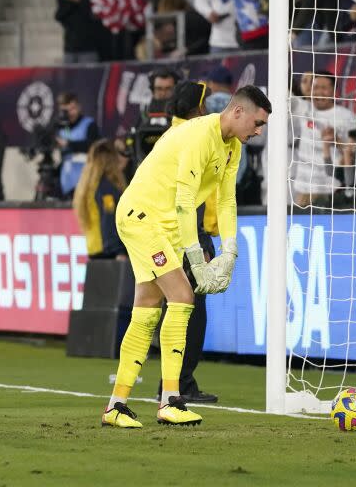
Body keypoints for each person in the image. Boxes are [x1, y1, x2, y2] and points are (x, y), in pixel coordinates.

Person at [102, 85, 271, 428]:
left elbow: (225, 201)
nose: (258, 130)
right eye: (257, 122)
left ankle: (116, 406)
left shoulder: (231, 147)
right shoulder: (198, 135)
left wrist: (230, 249)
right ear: (237, 111)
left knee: (147, 307)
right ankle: (171, 400)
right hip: (144, 216)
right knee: (182, 296)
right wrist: (196, 258)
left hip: (159, 223)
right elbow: (184, 200)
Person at [154, 81, 219, 404]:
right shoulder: (194, 137)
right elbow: (187, 194)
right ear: (200, 107)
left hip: (159, 231)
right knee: (190, 310)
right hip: (184, 235)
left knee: (165, 307)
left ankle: (170, 383)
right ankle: (180, 384)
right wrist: (201, 241)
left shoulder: (170, 135)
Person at [292, 72, 356, 207]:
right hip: (305, 190)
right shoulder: (303, 108)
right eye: (315, 87)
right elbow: (282, 98)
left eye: (324, 88)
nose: (319, 92)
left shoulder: (347, 116)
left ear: (333, 91)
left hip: (334, 189)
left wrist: (336, 140)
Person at [73, 139, 128, 259]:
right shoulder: (106, 189)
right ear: (110, 159)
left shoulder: (88, 186)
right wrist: (118, 251)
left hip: (95, 250)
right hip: (109, 254)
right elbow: (109, 218)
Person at [54, 0, 102, 64]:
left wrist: (78, 0)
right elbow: (58, 16)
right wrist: (70, 0)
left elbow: (93, 16)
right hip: (70, 49)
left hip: (89, 49)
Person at [57, 92, 100, 198]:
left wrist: (70, 144)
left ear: (79, 107)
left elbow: (94, 145)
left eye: (73, 108)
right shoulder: (62, 128)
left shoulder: (89, 124)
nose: (70, 113)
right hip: (66, 183)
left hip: (86, 181)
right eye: (66, 111)